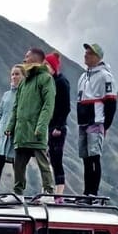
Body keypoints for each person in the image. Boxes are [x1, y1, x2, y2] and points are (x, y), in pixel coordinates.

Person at [5, 48, 56, 197]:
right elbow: (16, 107)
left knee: (43, 163)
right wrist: (10, 126)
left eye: (27, 57)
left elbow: (48, 104)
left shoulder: (45, 78)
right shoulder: (24, 82)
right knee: (18, 164)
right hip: (21, 131)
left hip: (35, 130)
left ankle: (49, 192)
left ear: (35, 59)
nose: (24, 59)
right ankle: (17, 193)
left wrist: (41, 125)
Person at [76, 42, 117, 197]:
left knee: (94, 157)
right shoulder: (83, 76)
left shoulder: (106, 76)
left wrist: (106, 125)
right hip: (83, 121)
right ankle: (86, 192)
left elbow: (111, 103)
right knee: (85, 158)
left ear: (98, 57)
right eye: (86, 52)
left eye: (90, 53)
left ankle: (93, 192)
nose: (85, 55)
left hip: (96, 121)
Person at [0, 65, 21, 197]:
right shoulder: (6, 95)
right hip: (2, 134)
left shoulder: (23, 95)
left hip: (15, 134)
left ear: (23, 77)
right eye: (12, 74)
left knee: (17, 164)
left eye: (17, 74)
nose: (14, 77)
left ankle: (18, 193)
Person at [44, 52, 71, 196]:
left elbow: (66, 107)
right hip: (48, 126)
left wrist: (59, 126)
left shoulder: (61, 82)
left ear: (53, 67)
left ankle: (59, 193)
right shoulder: (48, 82)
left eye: (47, 65)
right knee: (46, 159)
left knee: (56, 158)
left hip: (57, 127)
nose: (44, 67)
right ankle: (47, 190)